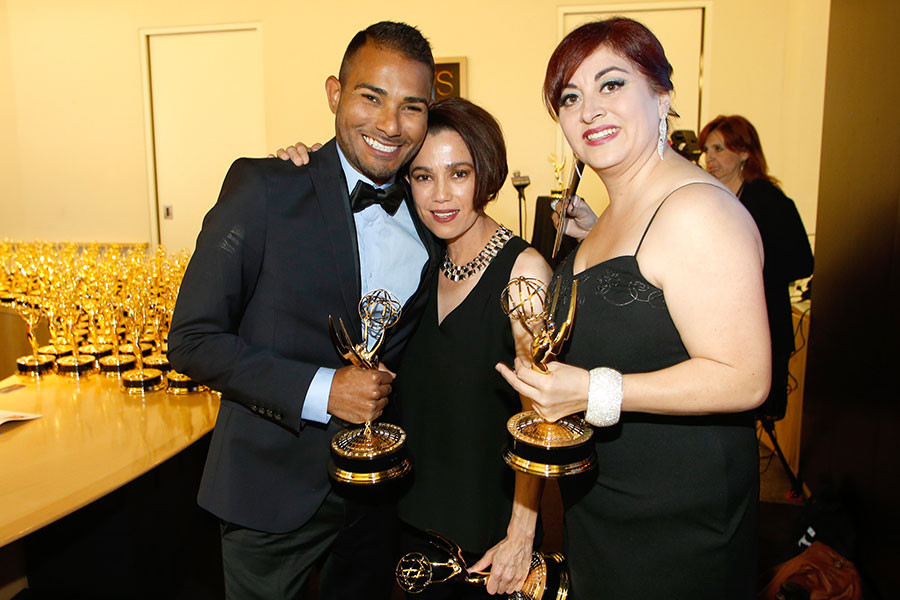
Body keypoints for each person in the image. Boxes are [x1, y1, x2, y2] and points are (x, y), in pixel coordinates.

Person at [496, 18, 771, 599]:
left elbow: (745, 378)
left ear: (662, 95)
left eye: (612, 84)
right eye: (570, 97)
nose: (589, 109)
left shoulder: (697, 209)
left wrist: (593, 392)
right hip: (604, 509)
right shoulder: (608, 216)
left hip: (677, 524)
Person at [167, 22, 441, 600]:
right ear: (335, 94)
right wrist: (324, 391)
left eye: (411, 107)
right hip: (268, 491)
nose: (390, 125)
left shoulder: (429, 216)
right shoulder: (266, 187)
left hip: (379, 496)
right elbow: (191, 339)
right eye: (371, 97)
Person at [279, 97, 552, 598]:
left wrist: (521, 533)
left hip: (486, 539)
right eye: (423, 176)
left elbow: (538, 420)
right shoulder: (419, 265)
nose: (441, 195)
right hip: (403, 528)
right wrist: (307, 167)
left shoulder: (523, 272)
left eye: (460, 173)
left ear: (487, 175)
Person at [700, 114, 814, 420]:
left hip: (763, 326)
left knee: (754, 413)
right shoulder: (714, 197)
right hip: (723, 327)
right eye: (707, 150)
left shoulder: (768, 200)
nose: (710, 158)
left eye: (719, 149)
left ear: (744, 153)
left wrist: (745, 271)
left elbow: (802, 261)